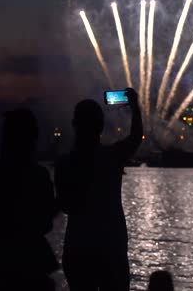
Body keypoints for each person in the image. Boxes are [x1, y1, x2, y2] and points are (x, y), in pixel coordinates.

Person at [55, 88, 143, 291]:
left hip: (78, 245)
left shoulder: (64, 163)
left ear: (74, 124)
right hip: (111, 245)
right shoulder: (111, 157)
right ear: (101, 126)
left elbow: (65, 205)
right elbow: (136, 136)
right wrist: (134, 107)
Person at [0, 108, 58, 291]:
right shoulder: (39, 175)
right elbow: (46, 224)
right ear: (33, 136)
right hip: (33, 260)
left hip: (3, 262)